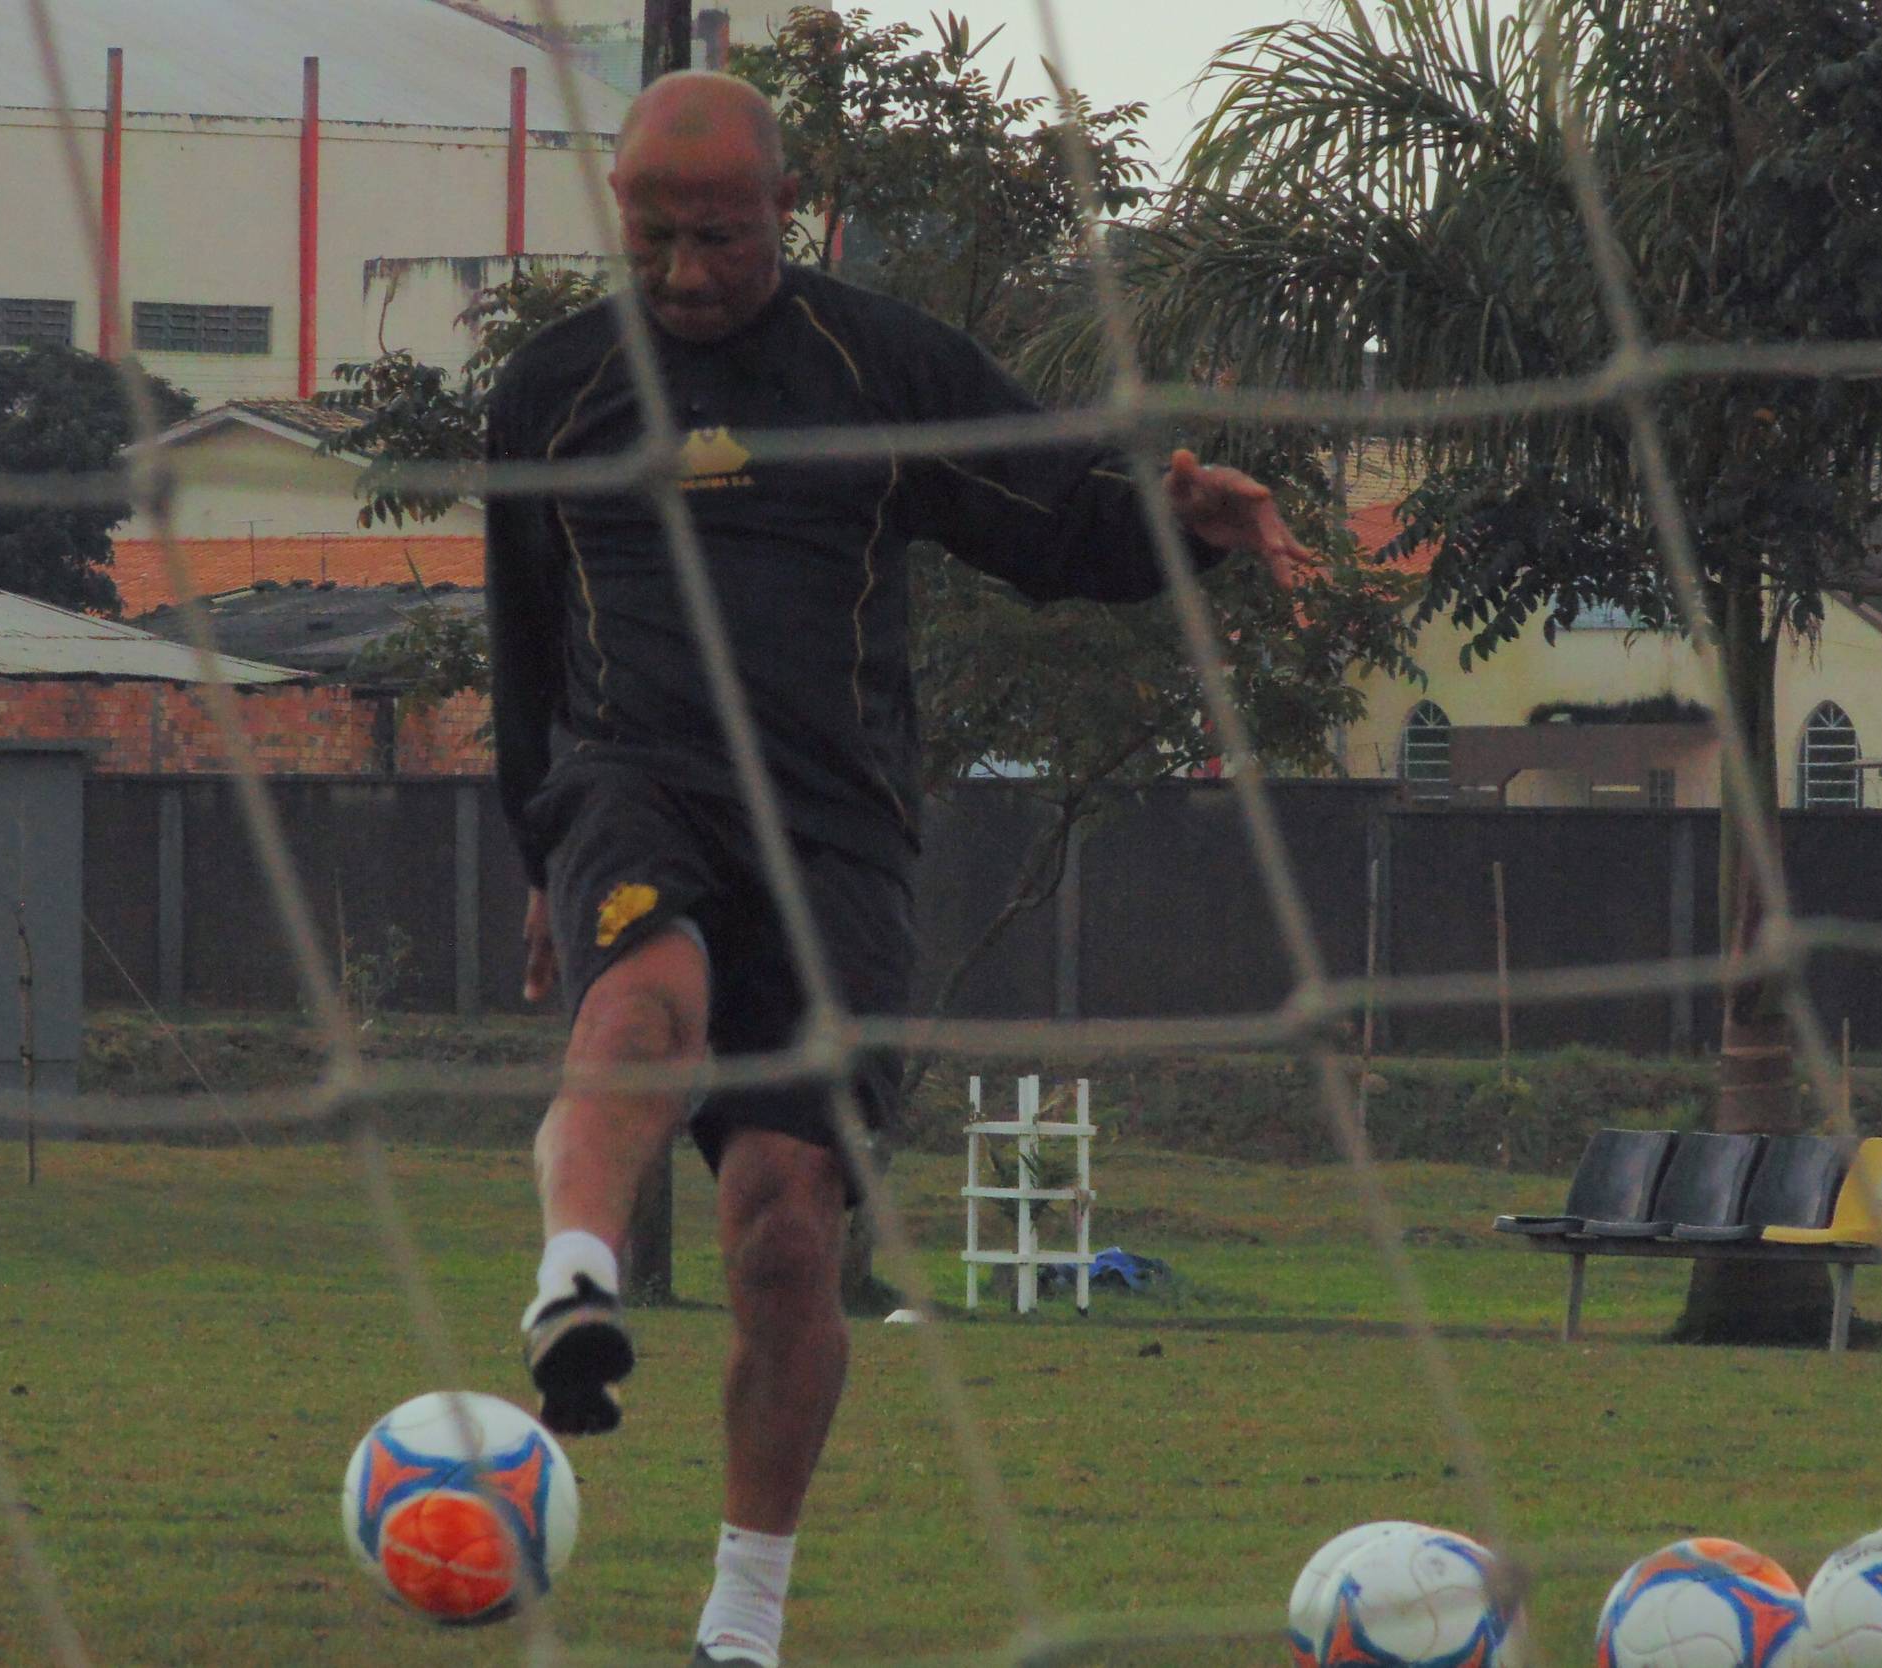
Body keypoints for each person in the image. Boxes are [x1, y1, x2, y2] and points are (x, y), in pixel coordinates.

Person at [483, 70, 1310, 1668]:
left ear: (787, 211)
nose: (685, 274)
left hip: (835, 832)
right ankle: (573, 1280)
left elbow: (1055, 528)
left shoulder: (885, 366)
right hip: (632, 784)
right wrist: (544, 847)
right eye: (652, 239)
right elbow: (523, 646)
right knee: (643, 1000)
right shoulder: (554, 392)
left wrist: (1181, 524)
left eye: (718, 237)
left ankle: (742, 1619)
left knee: (788, 1222)